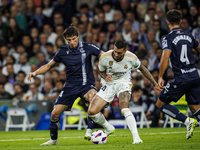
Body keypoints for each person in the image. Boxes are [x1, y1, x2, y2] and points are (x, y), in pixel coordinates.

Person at [27, 24, 103, 146]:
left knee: (93, 97)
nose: (72, 42)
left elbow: (103, 55)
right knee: (55, 113)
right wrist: (35, 72)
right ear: (66, 40)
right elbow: (48, 65)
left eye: (74, 39)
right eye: (69, 40)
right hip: (70, 87)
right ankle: (53, 140)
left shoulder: (87, 47)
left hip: (86, 85)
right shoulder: (62, 51)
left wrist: (106, 69)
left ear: (78, 37)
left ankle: (89, 131)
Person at [87, 39, 162, 144]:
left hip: (124, 83)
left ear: (125, 51)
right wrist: (104, 76)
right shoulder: (104, 57)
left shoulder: (131, 58)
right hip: (109, 84)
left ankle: (136, 138)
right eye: (115, 51)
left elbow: (143, 69)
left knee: (124, 107)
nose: (116, 54)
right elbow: (100, 69)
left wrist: (155, 83)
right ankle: (108, 128)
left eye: (119, 53)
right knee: (91, 112)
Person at [155, 9, 200, 139]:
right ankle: (191, 119)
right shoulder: (189, 35)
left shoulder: (168, 38)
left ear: (167, 22)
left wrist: (160, 77)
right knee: (194, 107)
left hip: (181, 78)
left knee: (160, 104)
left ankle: (187, 121)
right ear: (180, 21)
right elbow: (198, 48)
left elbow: (165, 57)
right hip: (194, 76)